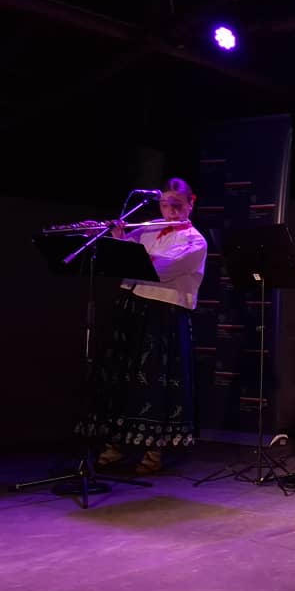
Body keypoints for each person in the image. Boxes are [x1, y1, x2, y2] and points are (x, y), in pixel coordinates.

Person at [80, 177, 208, 474]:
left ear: (191, 203)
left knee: (154, 382)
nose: (170, 211)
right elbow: (119, 257)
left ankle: (153, 452)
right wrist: (110, 236)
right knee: (121, 376)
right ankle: (114, 446)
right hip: (133, 307)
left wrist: (125, 245)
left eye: (177, 205)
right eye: (164, 205)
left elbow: (158, 268)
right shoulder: (148, 228)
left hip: (164, 313)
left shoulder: (195, 241)